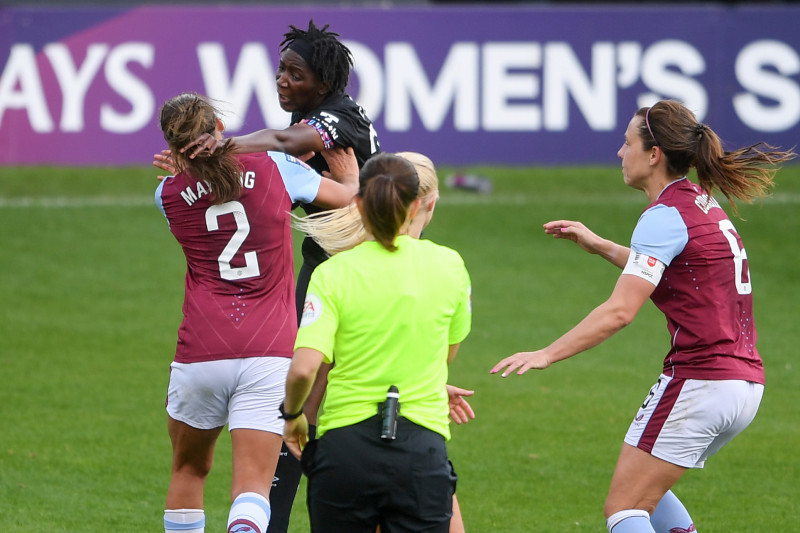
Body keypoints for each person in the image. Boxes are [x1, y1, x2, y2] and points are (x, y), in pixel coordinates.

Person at [491, 99, 795, 533]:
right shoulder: (701, 205)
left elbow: (620, 312)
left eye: (627, 142)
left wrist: (547, 353)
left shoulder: (663, 216)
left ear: (653, 155)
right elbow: (673, 270)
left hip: (700, 380)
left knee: (624, 508)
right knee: (646, 489)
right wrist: (602, 246)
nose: (620, 152)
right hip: (743, 384)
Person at [152, 21, 381, 531]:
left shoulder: (329, 121)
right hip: (311, 281)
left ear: (323, 82)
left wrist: (215, 154)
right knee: (305, 414)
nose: (280, 80)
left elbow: (280, 145)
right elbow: (295, 168)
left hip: (346, 274)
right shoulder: (284, 158)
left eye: (293, 73)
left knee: (311, 411)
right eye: (279, 70)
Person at [282, 153, 472, 532]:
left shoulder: (332, 273)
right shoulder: (450, 265)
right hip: (420, 447)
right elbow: (445, 354)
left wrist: (292, 416)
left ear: (357, 203)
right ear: (420, 205)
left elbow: (304, 368)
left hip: (345, 450)